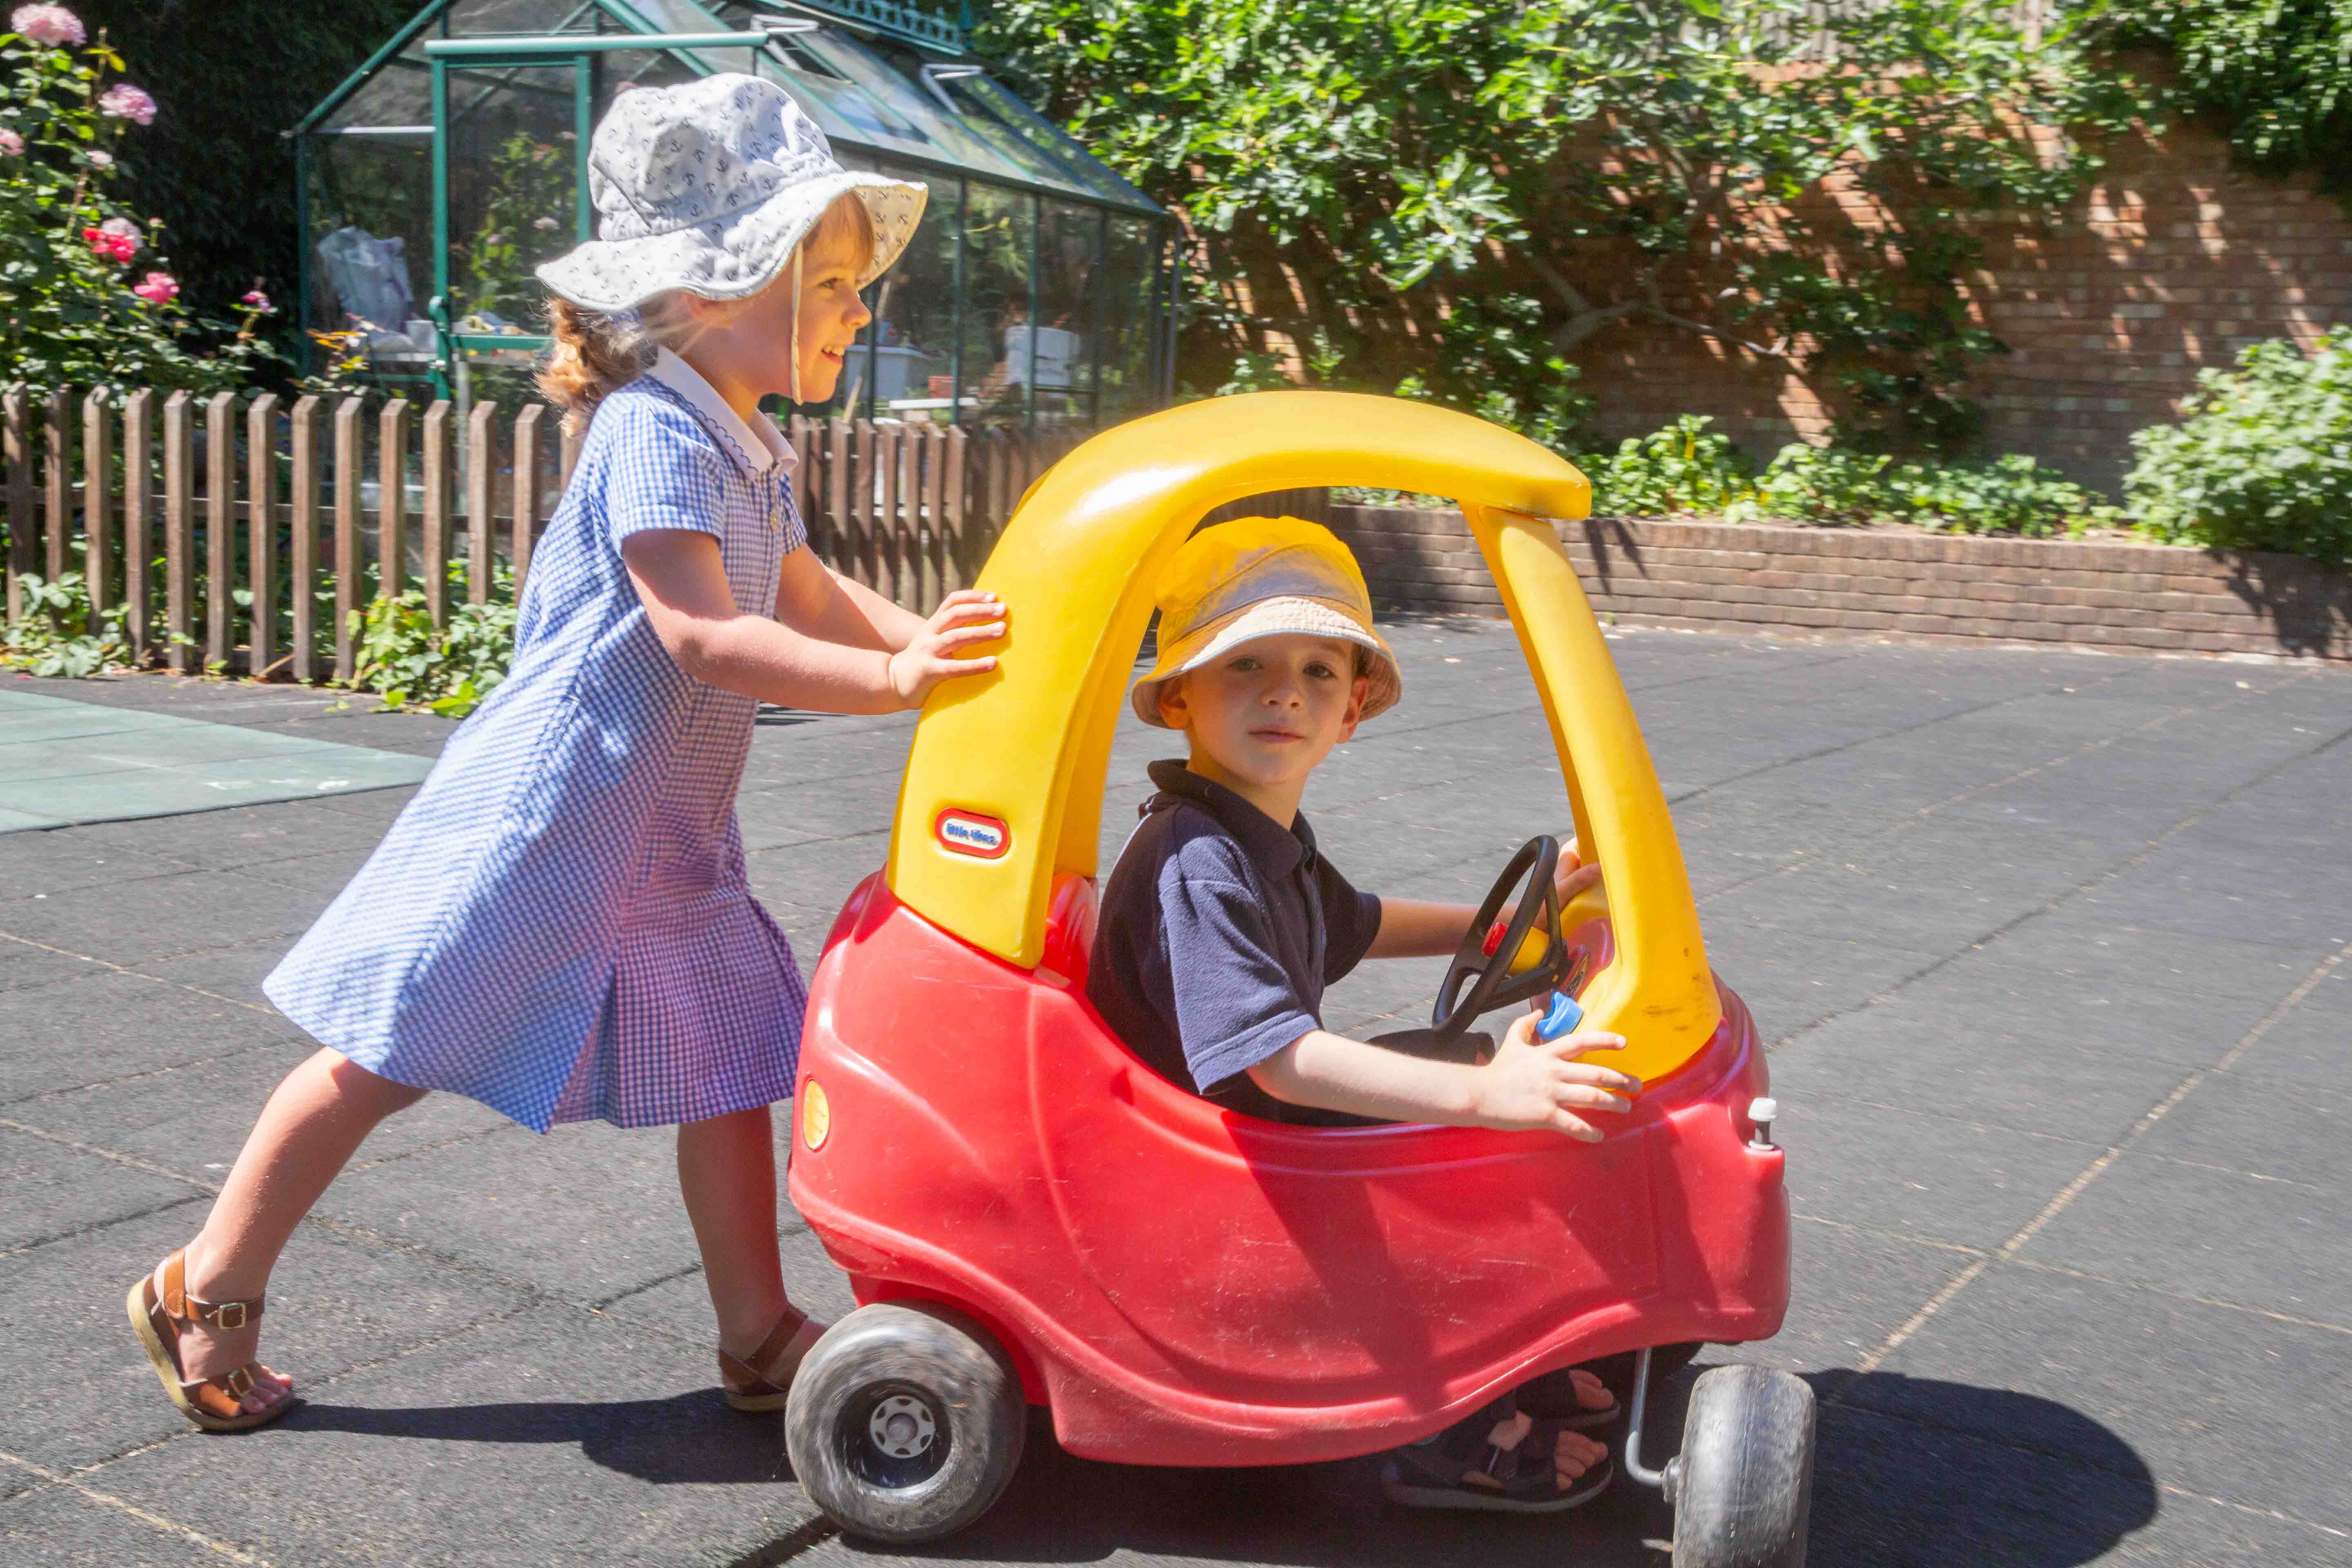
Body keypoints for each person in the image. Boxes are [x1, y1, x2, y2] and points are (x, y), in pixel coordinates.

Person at [126, 75, 1002, 1434]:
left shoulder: (746, 438)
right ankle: (207, 1282)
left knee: (725, 1052)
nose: (860, 306)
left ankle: (758, 1331)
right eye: (829, 279)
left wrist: (938, 648)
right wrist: (897, 681)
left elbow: (807, 586)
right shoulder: (658, 427)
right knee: (394, 1043)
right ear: (713, 293)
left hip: (664, 832)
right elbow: (705, 635)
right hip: (555, 817)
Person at [1086, 516, 1640, 1512]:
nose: (1284, 691)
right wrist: (1487, 1093)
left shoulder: (1259, 835)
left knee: (1457, 1060)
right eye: (1243, 664)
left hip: (1240, 1132)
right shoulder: (1199, 861)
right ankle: (1446, 1422)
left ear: (1350, 715)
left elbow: (1362, 923)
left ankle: (1502, 1338)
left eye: (1318, 672)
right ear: (1180, 698)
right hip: (1208, 1165)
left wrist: (1509, 920)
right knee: (1456, 1124)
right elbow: (1285, 1065)